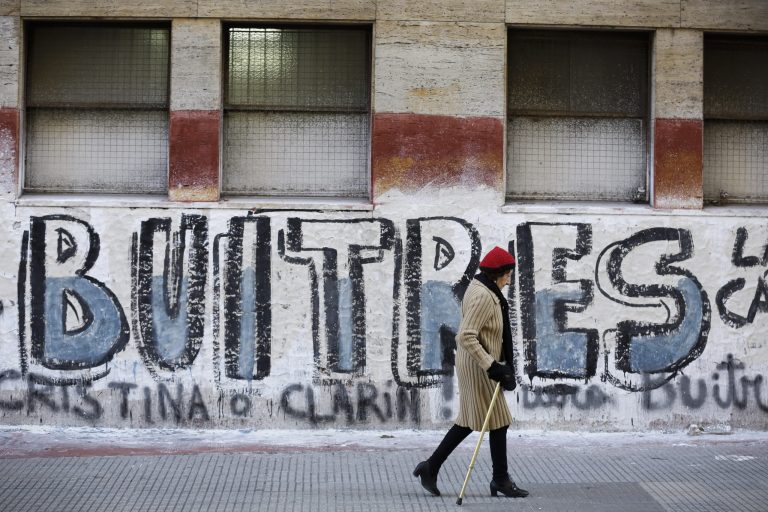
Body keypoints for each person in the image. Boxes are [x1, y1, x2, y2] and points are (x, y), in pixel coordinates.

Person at [413, 246, 528, 498]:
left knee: (481, 420)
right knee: (491, 420)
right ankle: (499, 479)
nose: (509, 280)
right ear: (497, 273)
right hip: (479, 367)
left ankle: (433, 467)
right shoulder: (483, 296)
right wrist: (492, 365)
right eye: (507, 275)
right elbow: (466, 335)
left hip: (481, 364)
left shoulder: (485, 288)